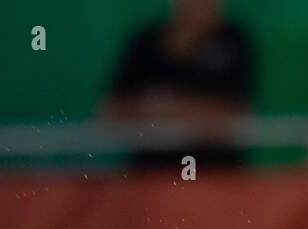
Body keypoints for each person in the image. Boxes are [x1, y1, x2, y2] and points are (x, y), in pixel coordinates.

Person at [102, 0, 254, 169]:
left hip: (215, 178)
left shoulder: (235, 42)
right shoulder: (144, 43)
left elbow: (234, 119)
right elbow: (108, 118)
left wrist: (162, 108)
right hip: (150, 180)